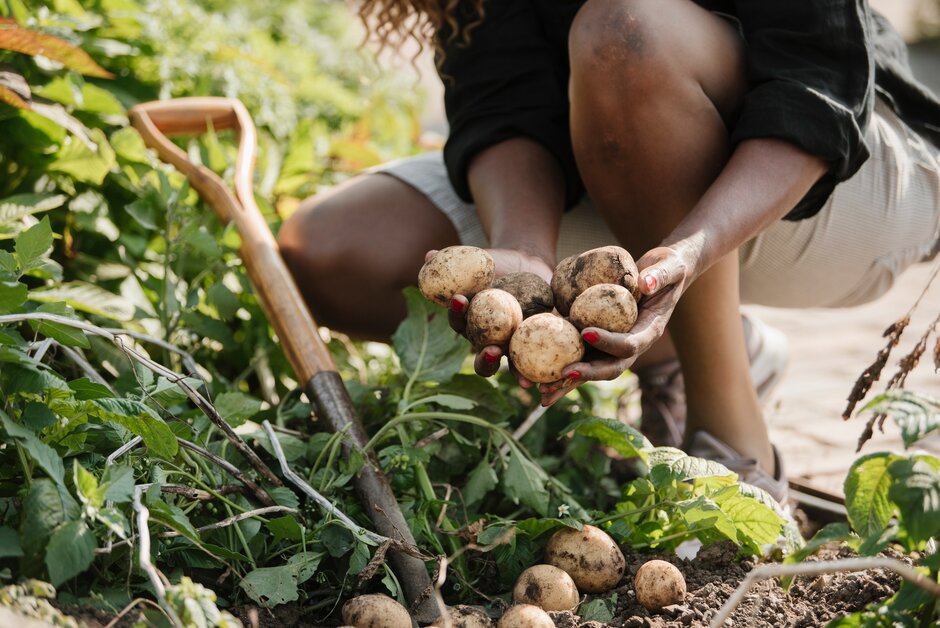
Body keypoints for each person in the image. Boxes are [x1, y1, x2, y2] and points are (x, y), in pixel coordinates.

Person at [278, 0, 940, 504]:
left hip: (841, 180)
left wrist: (689, 250)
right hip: (625, 163)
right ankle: (692, 353)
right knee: (333, 249)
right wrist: (524, 254)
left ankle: (731, 434)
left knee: (623, 30)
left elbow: (817, 80)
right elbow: (502, 100)